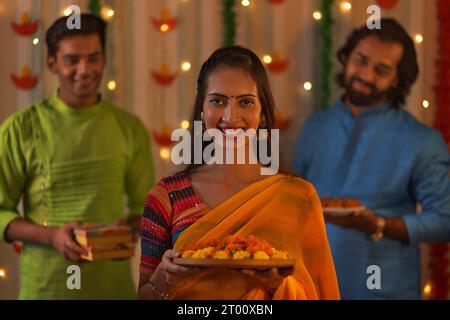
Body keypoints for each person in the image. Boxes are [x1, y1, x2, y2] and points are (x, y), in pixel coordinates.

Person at [138, 46, 340, 300]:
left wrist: (277, 285)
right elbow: (144, 296)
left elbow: (322, 293)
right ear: (202, 110)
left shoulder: (297, 196)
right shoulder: (166, 196)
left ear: (263, 115)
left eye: (245, 102)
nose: (231, 116)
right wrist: (163, 279)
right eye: (218, 101)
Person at [293, 18, 450, 299]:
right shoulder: (316, 127)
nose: (365, 75)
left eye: (381, 70)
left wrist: (379, 225)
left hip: (384, 290)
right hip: (313, 287)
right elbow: (293, 202)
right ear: (347, 57)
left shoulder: (422, 139)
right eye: (360, 61)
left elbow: (445, 219)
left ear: (397, 80)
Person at [0, 14, 154, 299]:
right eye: (72, 59)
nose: (84, 69)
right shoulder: (20, 128)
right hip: (46, 289)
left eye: (93, 58)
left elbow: (147, 209)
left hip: (112, 289)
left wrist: (126, 232)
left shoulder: (129, 128)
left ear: (104, 60)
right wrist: (52, 236)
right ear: (52, 63)